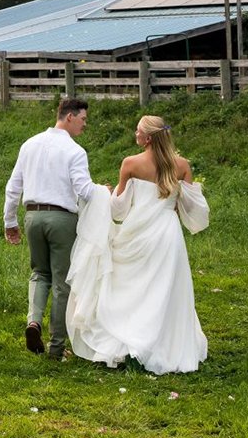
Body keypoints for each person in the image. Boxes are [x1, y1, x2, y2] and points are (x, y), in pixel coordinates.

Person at [65, 114, 210, 375]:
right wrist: (175, 203)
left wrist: (107, 195)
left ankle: (130, 336)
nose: (135, 134)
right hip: (167, 232)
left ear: (147, 138)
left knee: (134, 285)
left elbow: (119, 210)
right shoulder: (182, 166)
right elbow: (195, 210)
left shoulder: (131, 164)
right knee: (165, 287)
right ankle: (164, 341)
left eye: (138, 131)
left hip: (137, 231)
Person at [3, 97, 96, 361]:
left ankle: (34, 322)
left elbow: (13, 187)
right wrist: (104, 192)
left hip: (33, 217)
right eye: (83, 119)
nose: (84, 125)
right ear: (69, 117)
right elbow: (84, 191)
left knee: (38, 273)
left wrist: (10, 221)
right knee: (61, 282)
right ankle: (56, 348)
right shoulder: (75, 151)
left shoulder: (29, 144)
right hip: (62, 220)